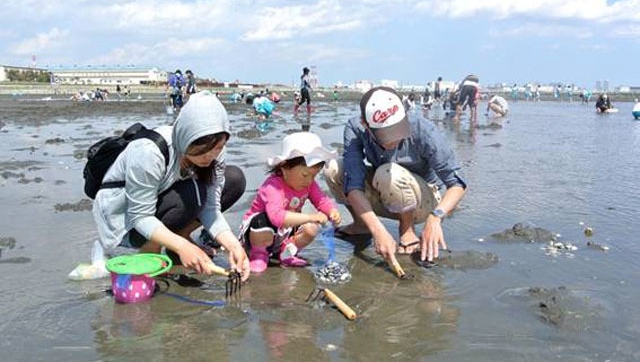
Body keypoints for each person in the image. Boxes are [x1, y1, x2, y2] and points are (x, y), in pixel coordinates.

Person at [92, 92, 250, 280]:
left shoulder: (216, 152)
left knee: (233, 179)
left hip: (166, 202)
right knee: (193, 192)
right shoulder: (149, 151)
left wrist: (233, 245)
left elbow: (211, 207)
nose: (210, 156)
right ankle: (151, 250)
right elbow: (140, 215)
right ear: (186, 137)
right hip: (126, 220)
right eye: (202, 149)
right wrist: (183, 247)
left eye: (217, 148)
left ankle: (179, 238)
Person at [324, 87, 467, 266]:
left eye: (398, 130)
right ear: (365, 124)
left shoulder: (423, 129)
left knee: (389, 171)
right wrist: (378, 231)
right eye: (386, 135)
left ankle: (407, 231)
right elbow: (353, 185)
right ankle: (361, 225)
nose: (394, 140)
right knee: (334, 168)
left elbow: (457, 183)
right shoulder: (355, 128)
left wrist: (436, 217)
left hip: (424, 200)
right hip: (387, 192)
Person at [239, 132, 341, 273]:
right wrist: (310, 217)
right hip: (257, 233)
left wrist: (332, 211)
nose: (309, 181)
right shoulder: (273, 186)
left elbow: (321, 200)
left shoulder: (309, 184)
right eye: (305, 175)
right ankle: (258, 256)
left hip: (285, 232)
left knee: (312, 228)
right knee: (262, 220)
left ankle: (287, 253)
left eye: (314, 175)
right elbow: (276, 217)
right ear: (284, 167)